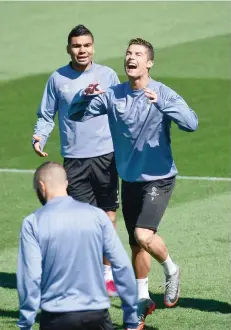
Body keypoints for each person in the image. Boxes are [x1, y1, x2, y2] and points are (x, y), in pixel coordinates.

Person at [68, 38, 198, 329]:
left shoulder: (162, 92)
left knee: (143, 234)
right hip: (130, 180)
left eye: (138, 54)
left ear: (149, 62)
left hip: (159, 178)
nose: (131, 57)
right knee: (136, 246)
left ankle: (172, 269)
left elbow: (191, 123)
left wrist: (163, 104)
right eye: (128, 53)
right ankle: (142, 300)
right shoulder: (113, 95)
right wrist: (84, 97)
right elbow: (75, 115)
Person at [32, 24, 120, 295]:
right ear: (68, 49)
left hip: (106, 156)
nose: (82, 50)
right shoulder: (57, 79)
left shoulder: (108, 75)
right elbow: (47, 114)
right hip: (75, 159)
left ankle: (106, 275)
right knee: (83, 220)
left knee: (107, 217)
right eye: (76, 46)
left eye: (86, 45)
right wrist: (39, 136)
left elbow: (121, 109)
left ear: (93, 47)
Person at [16, 161, 138, 330]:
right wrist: (131, 317)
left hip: (56, 318)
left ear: (41, 187)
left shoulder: (32, 222)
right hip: (97, 316)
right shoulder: (97, 216)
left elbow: (30, 276)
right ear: (66, 184)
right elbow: (122, 265)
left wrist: (26, 322)